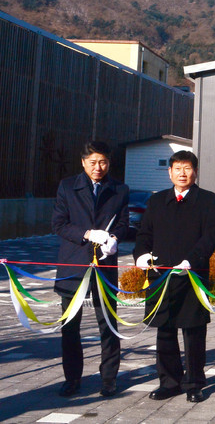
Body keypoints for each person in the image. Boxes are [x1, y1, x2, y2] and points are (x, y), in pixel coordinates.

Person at [134, 150, 215, 403]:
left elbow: (211, 237)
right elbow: (144, 234)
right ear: (169, 172)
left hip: (192, 275)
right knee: (164, 330)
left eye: (187, 168)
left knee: (193, 332)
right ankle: (169, 382)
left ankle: (194, 383)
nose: (182, 173)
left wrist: (191, 261)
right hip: (160, 277)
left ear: (195, 171)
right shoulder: (157, 201)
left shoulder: (209, 201)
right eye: (177, 168)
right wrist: (141, 256)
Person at [51, 141, 129, 398]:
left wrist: (114, 239)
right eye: (93, 162)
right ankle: (72, 378)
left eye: (103, 162)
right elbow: (59, 224)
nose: (98, 167)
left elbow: (123, 223)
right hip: (74, 262)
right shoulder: (67, 186)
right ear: (83, 162)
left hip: (104, 265)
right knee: (70, 326)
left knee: (107, 324)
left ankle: (109, 379)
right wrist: (86, 233)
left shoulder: (119, 189)